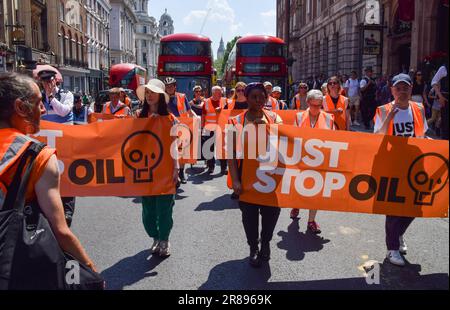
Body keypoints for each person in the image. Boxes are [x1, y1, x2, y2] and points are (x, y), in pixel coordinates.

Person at [0, 72, 97, 272]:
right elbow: (60, 232)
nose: (43, 110)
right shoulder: (37, 156)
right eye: (38, 103)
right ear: (20, 107)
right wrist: (91, 271)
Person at [373, 73, 428, 266]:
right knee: (394, 208)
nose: (402, 91)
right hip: (392, 163)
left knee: (415, 205)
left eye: (406, 88)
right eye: (398, 88)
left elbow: (422, 135)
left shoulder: (419, 109)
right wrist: (389, 117)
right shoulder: (382, 110)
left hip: (414, 163)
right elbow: (377, 137)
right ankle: (392, 249)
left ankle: (398, 234)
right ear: (392, 90)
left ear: (411, 89)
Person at [227, 82, 283, 268]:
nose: (259, 100)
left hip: (271, 179)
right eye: (254, 97)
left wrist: (267, 130)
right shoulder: (235, 122)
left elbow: (286, 143)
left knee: (271, 216)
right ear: (247, 98)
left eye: (262, 96)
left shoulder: (275, 118)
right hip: (246, 180)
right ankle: (253, 246)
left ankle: (265, 243)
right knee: (249, 218)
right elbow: (231, 155)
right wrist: (235, 179)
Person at [136, 79, 180, 258]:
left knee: (165, 208)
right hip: (145, 171)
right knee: (148, 210)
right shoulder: (139, 116)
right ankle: (154, 236)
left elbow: (175, 144)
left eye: (152, 92)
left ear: (161, 96)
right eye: (147, 92)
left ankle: (164, 239)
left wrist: (176, 167)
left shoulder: (171, 119)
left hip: (165, 169)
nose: (149, 95)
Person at [290, 89, 335, 233]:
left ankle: (311, 220)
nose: (316, 108)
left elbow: (334, 140)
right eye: (314, 105)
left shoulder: (329, 118)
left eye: (319, 105)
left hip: (320, 161)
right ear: (308, 102)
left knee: (316, 191)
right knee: (299, 188)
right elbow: (293, 137)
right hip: (301, 159)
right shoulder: (298, 116)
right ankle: (296, 204)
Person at [38, 70, 76, 226]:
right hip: (46, 143)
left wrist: (51, 97)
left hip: (65, 142)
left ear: (56, 81)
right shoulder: (39, 97)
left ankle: (67, 209)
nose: (47, 84)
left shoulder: (67, 94)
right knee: (47, 175)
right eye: (44, 82)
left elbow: (63, 112)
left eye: (50, 81)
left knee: (66, 175)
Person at [163, 77, 197, 184]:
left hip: (182, 127)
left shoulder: (182, 97)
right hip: (167, 128)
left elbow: (189, 111)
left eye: (171, 86)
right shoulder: (162, 98)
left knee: (182, 151)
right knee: (170, 151)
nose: (169, 88)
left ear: (175, 87)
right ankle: (171, 172)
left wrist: (196, 119)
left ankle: (181, 173)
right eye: (167, 86)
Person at [203, 85, 228, 174]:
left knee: (222, 148)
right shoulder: (206, 102)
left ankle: (223, 168)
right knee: (209, 149)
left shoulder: (225, 101)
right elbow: (203, 115)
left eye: (221, 92)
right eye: (218, 92)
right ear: (213, 93)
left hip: (221, 128)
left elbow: (229, 112)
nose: (220, 94)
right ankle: (211, 167)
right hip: (209, 128)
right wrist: (202, 127)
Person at [431, 62, 448, 140]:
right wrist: (440, 96)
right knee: (446, 123)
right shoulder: (444, 68)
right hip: (446, 99)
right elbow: (434, 82)